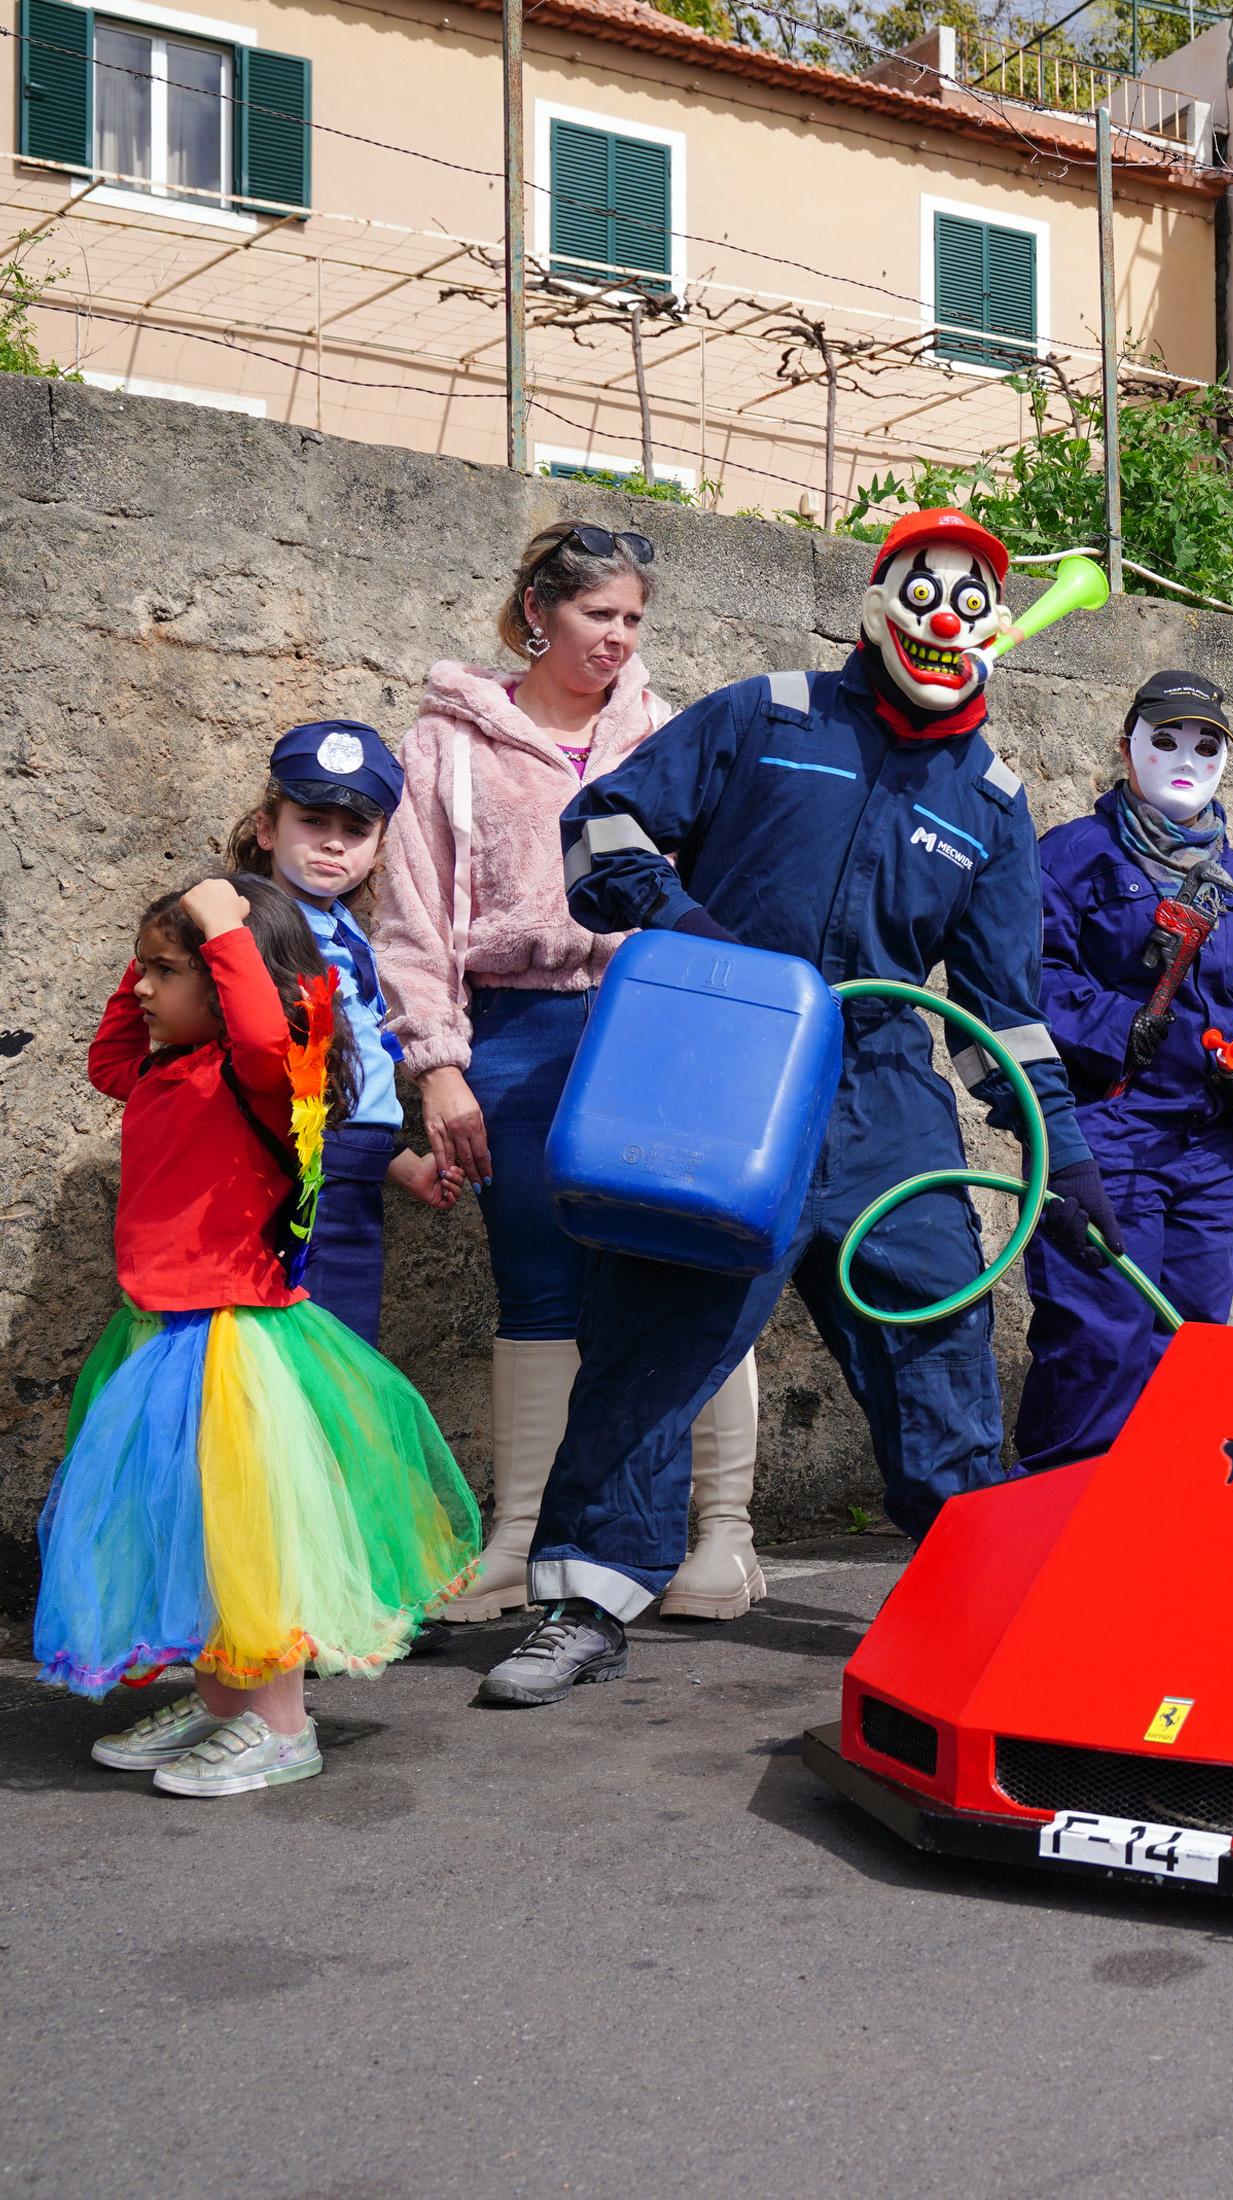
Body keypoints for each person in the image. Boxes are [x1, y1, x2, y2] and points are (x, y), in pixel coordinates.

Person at [475, 507, 1122, 1707]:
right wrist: (696, 940)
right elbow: (602, 826)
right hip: (726, 1063)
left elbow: (1003, 1011)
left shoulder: (988, 800)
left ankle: (977, 1605)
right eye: (925, 595)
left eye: (972, 603)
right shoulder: (768, 714)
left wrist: (1062, 1154)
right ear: (880, 603)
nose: (945, 622)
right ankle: (586, 1601)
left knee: (938, 1345)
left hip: (882, 1097)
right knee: (656, 1333)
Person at [379, 523, 763, 1624]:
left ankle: (723, 1540)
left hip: (654, 1024)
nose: (619, 637)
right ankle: (521, 1540)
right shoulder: (449, 741)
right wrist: (440, 1067)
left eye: (634, 619)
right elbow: (413, 915)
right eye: (600, 614)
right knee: (538, 1283)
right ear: (541, 609)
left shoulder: (670, 731)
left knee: (694, 1269)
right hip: (517, 1029)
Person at [35, 874, 478, 1795]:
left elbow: (267, 1032)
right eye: (143, 971)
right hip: (161, 1333)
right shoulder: (161, 1069)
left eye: (163, 972)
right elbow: (105, 1059)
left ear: (235, 977)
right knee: (202, 1534)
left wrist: (226, 925)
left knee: (256, 1535)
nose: (144, 991)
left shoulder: (269, 1071)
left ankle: (280, 1726)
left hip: (237, 1339)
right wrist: (151, 957)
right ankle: (223, 1702)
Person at [1019, 669, 1233, 1467]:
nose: (1185, 756)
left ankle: (1158, 1521)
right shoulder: (1072, 856)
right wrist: (1114, 1025)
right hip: (1105, 1130)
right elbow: (1023, 972)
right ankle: (1056, 1517)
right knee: (1097, 1333)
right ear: (1126, 745)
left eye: (1206, 744)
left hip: (1211, 1152)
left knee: (1192, 1341)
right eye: (1165, 738)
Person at [224, 721, 460, 1340]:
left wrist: (402, 1163)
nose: (333, 845)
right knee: (301, 1354)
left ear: (378, 849)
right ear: (267, 828)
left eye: (355, 831)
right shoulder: (247, 924)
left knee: (344, 1347)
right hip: (290, 1170)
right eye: (313, 822)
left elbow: (356, 1072)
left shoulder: (345, 927)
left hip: (352, 1179)